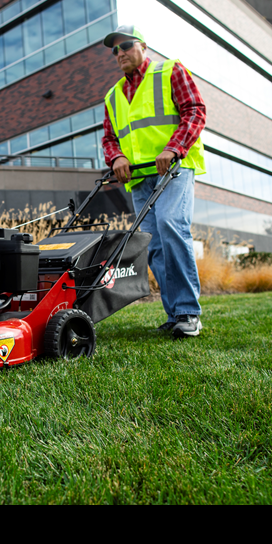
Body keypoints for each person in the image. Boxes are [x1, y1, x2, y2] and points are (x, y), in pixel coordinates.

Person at [101, 25, 206, 338]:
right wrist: (116, 158)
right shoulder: (113, 95)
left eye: (126, 46)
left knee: (172, 225)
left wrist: (173, 147)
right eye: (114, 50)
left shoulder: (169, 71)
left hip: (174, 167)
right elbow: (109, 138)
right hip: (141, 178)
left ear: (143, 46)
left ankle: (189, 312)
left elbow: (194, 110)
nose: (120, 53)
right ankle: (175, 314)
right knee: (154, 245)